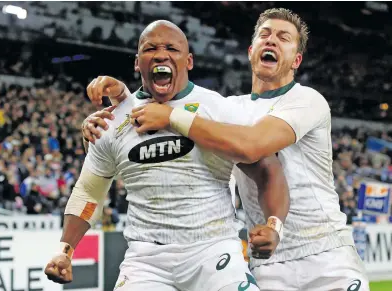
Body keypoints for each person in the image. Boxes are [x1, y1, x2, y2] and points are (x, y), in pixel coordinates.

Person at [82, 9, 369, 291]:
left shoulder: (307, 99)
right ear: (250, 50)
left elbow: (250, 145)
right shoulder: (226, 108)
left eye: (283, 38)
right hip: (268, 261)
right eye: (264, 35)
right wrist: (117, 109)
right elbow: (161, 119)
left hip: (325, 252)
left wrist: (170, 117)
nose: (271, 41)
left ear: (296, 60)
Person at [45, 20, 290, 291]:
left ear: (189, 61)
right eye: (151, 49)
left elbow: (267, 168)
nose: (161, 54)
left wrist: (274, 225)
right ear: (138, 63)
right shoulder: (110, 123)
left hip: (212, 251)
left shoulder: (219, 109)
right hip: (146, 260)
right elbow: (89, 193)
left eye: (172, 48)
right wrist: (65, 250)